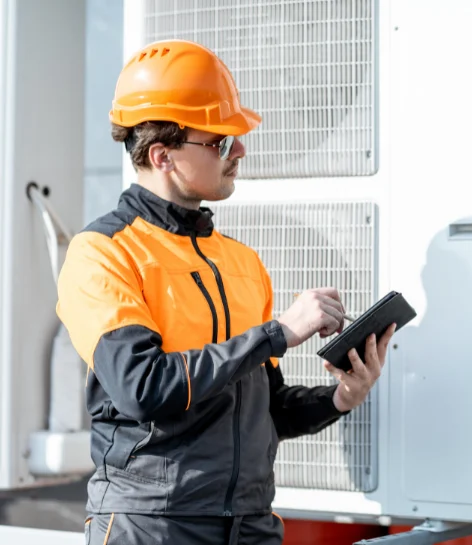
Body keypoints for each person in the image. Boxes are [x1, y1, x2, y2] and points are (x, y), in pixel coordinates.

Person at [56, 38, 395, 545]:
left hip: (250, 525)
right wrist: (278, 332)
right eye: (219, 141)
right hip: (152, 527)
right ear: (162, 155)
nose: (239, 150)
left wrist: (342, 398)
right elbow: (143, 388)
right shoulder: (102, 253)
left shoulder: (241, 262)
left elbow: (269, 410)